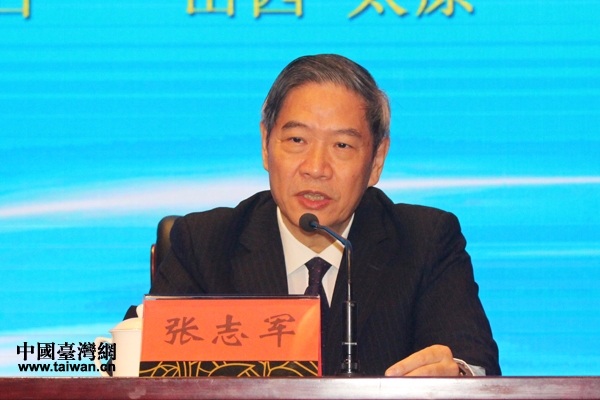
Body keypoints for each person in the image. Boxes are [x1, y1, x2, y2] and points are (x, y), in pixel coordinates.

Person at [150, 54, 500, 377]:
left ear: (377, 160)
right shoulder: (204, 242)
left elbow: (475, 362)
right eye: (296, 140)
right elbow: (139, 362)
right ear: (266, 144)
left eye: (342, 145)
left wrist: (458, 376)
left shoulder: (425, 240)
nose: (316, 168)